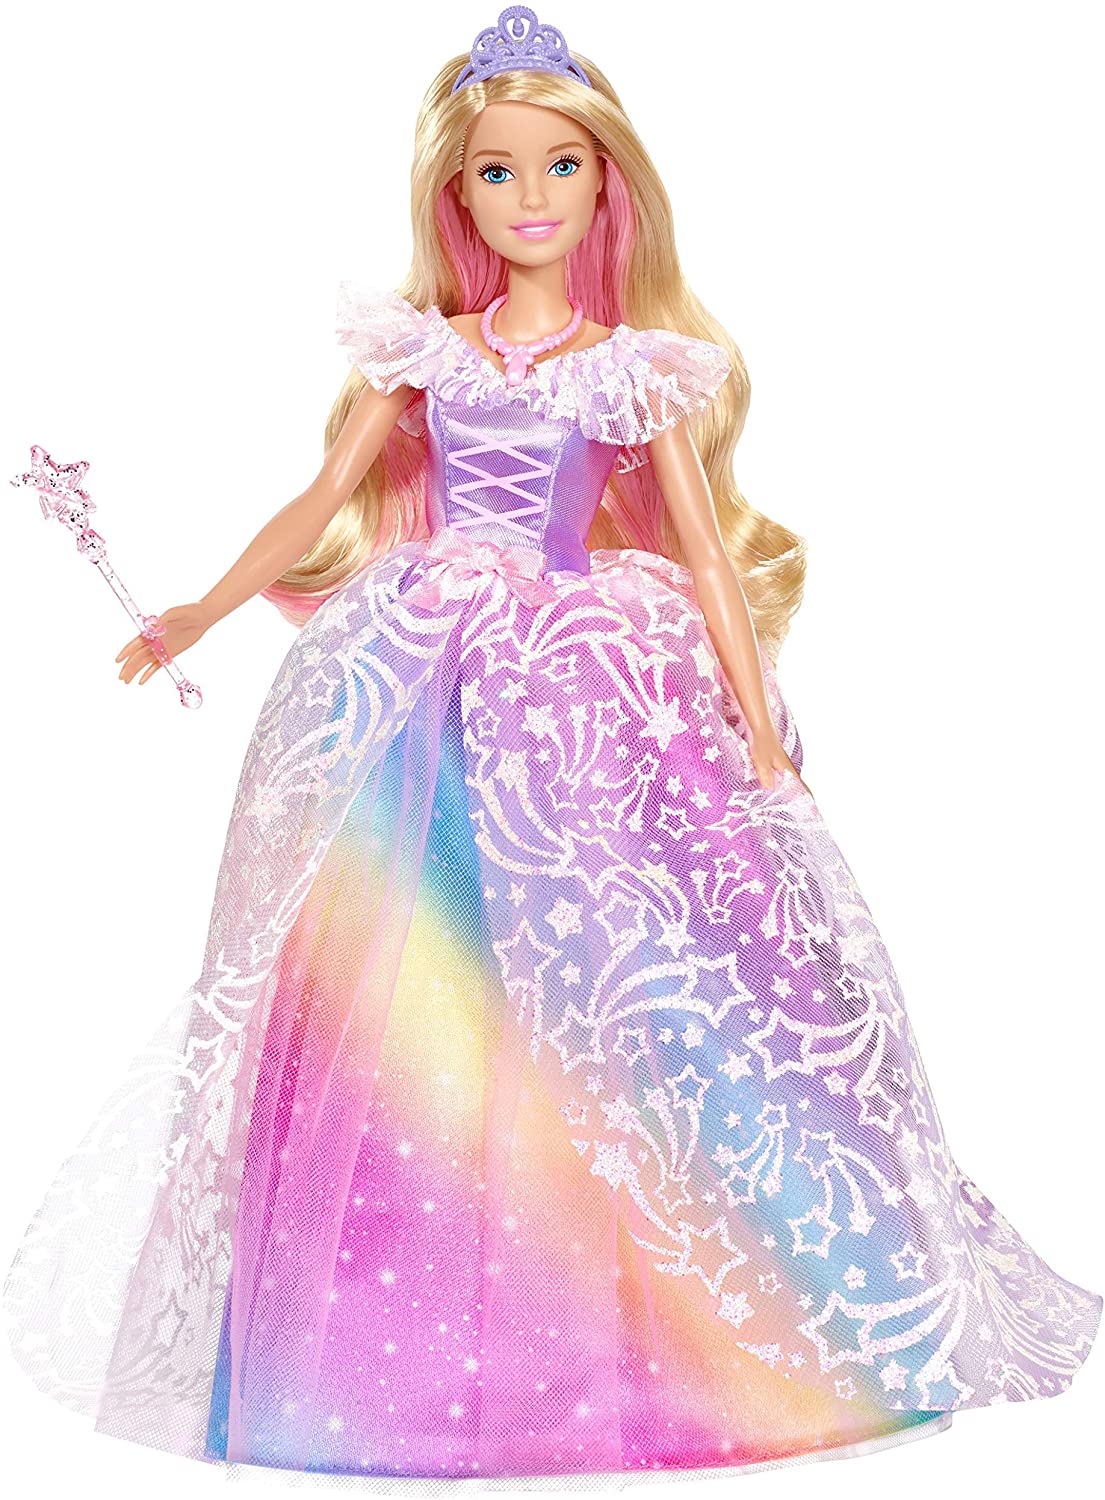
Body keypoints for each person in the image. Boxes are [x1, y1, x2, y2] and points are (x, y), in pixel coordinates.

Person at [5, 5, 1099, 1485]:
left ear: (607, 184)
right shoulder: (423, 353)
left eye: (560, 167)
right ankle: (367, 1360)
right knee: (407, 968)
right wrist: (198, 608)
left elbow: (702, 554)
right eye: (497, 172)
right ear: (455, 196)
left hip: (587, 689)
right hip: (427, 684)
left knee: (619, 967)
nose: (531, 197)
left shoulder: (632, 369)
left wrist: (758, 722)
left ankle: (668, 1330)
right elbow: (315, 499)